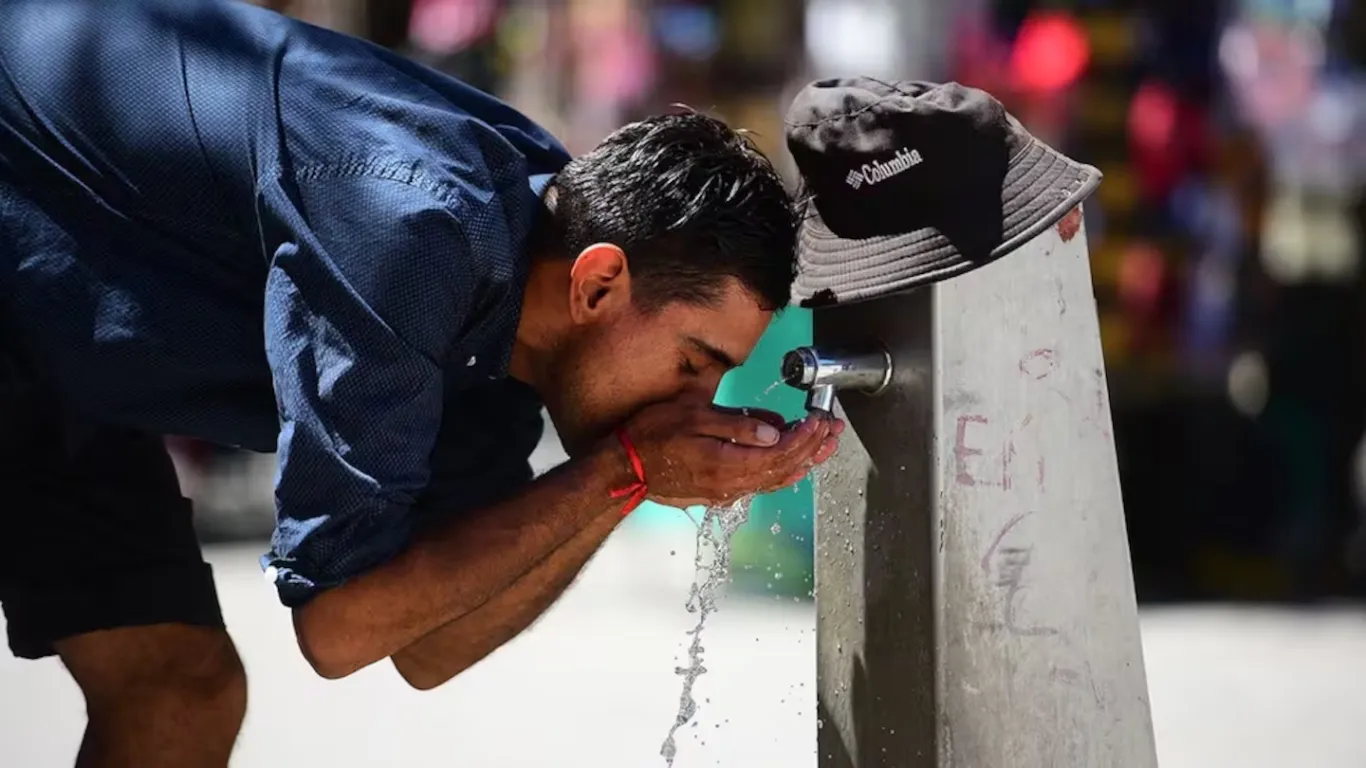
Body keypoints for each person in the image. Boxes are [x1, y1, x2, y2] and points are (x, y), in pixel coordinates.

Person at [0, 1, 842, 765]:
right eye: (694, 362)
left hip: (57, 353)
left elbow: (427, 645)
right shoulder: (411, 235)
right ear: (597, 285)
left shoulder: (533, 301)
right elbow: (337, 628)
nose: (698, 402)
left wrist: (624, 480)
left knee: (178, 693)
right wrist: (623, 468)